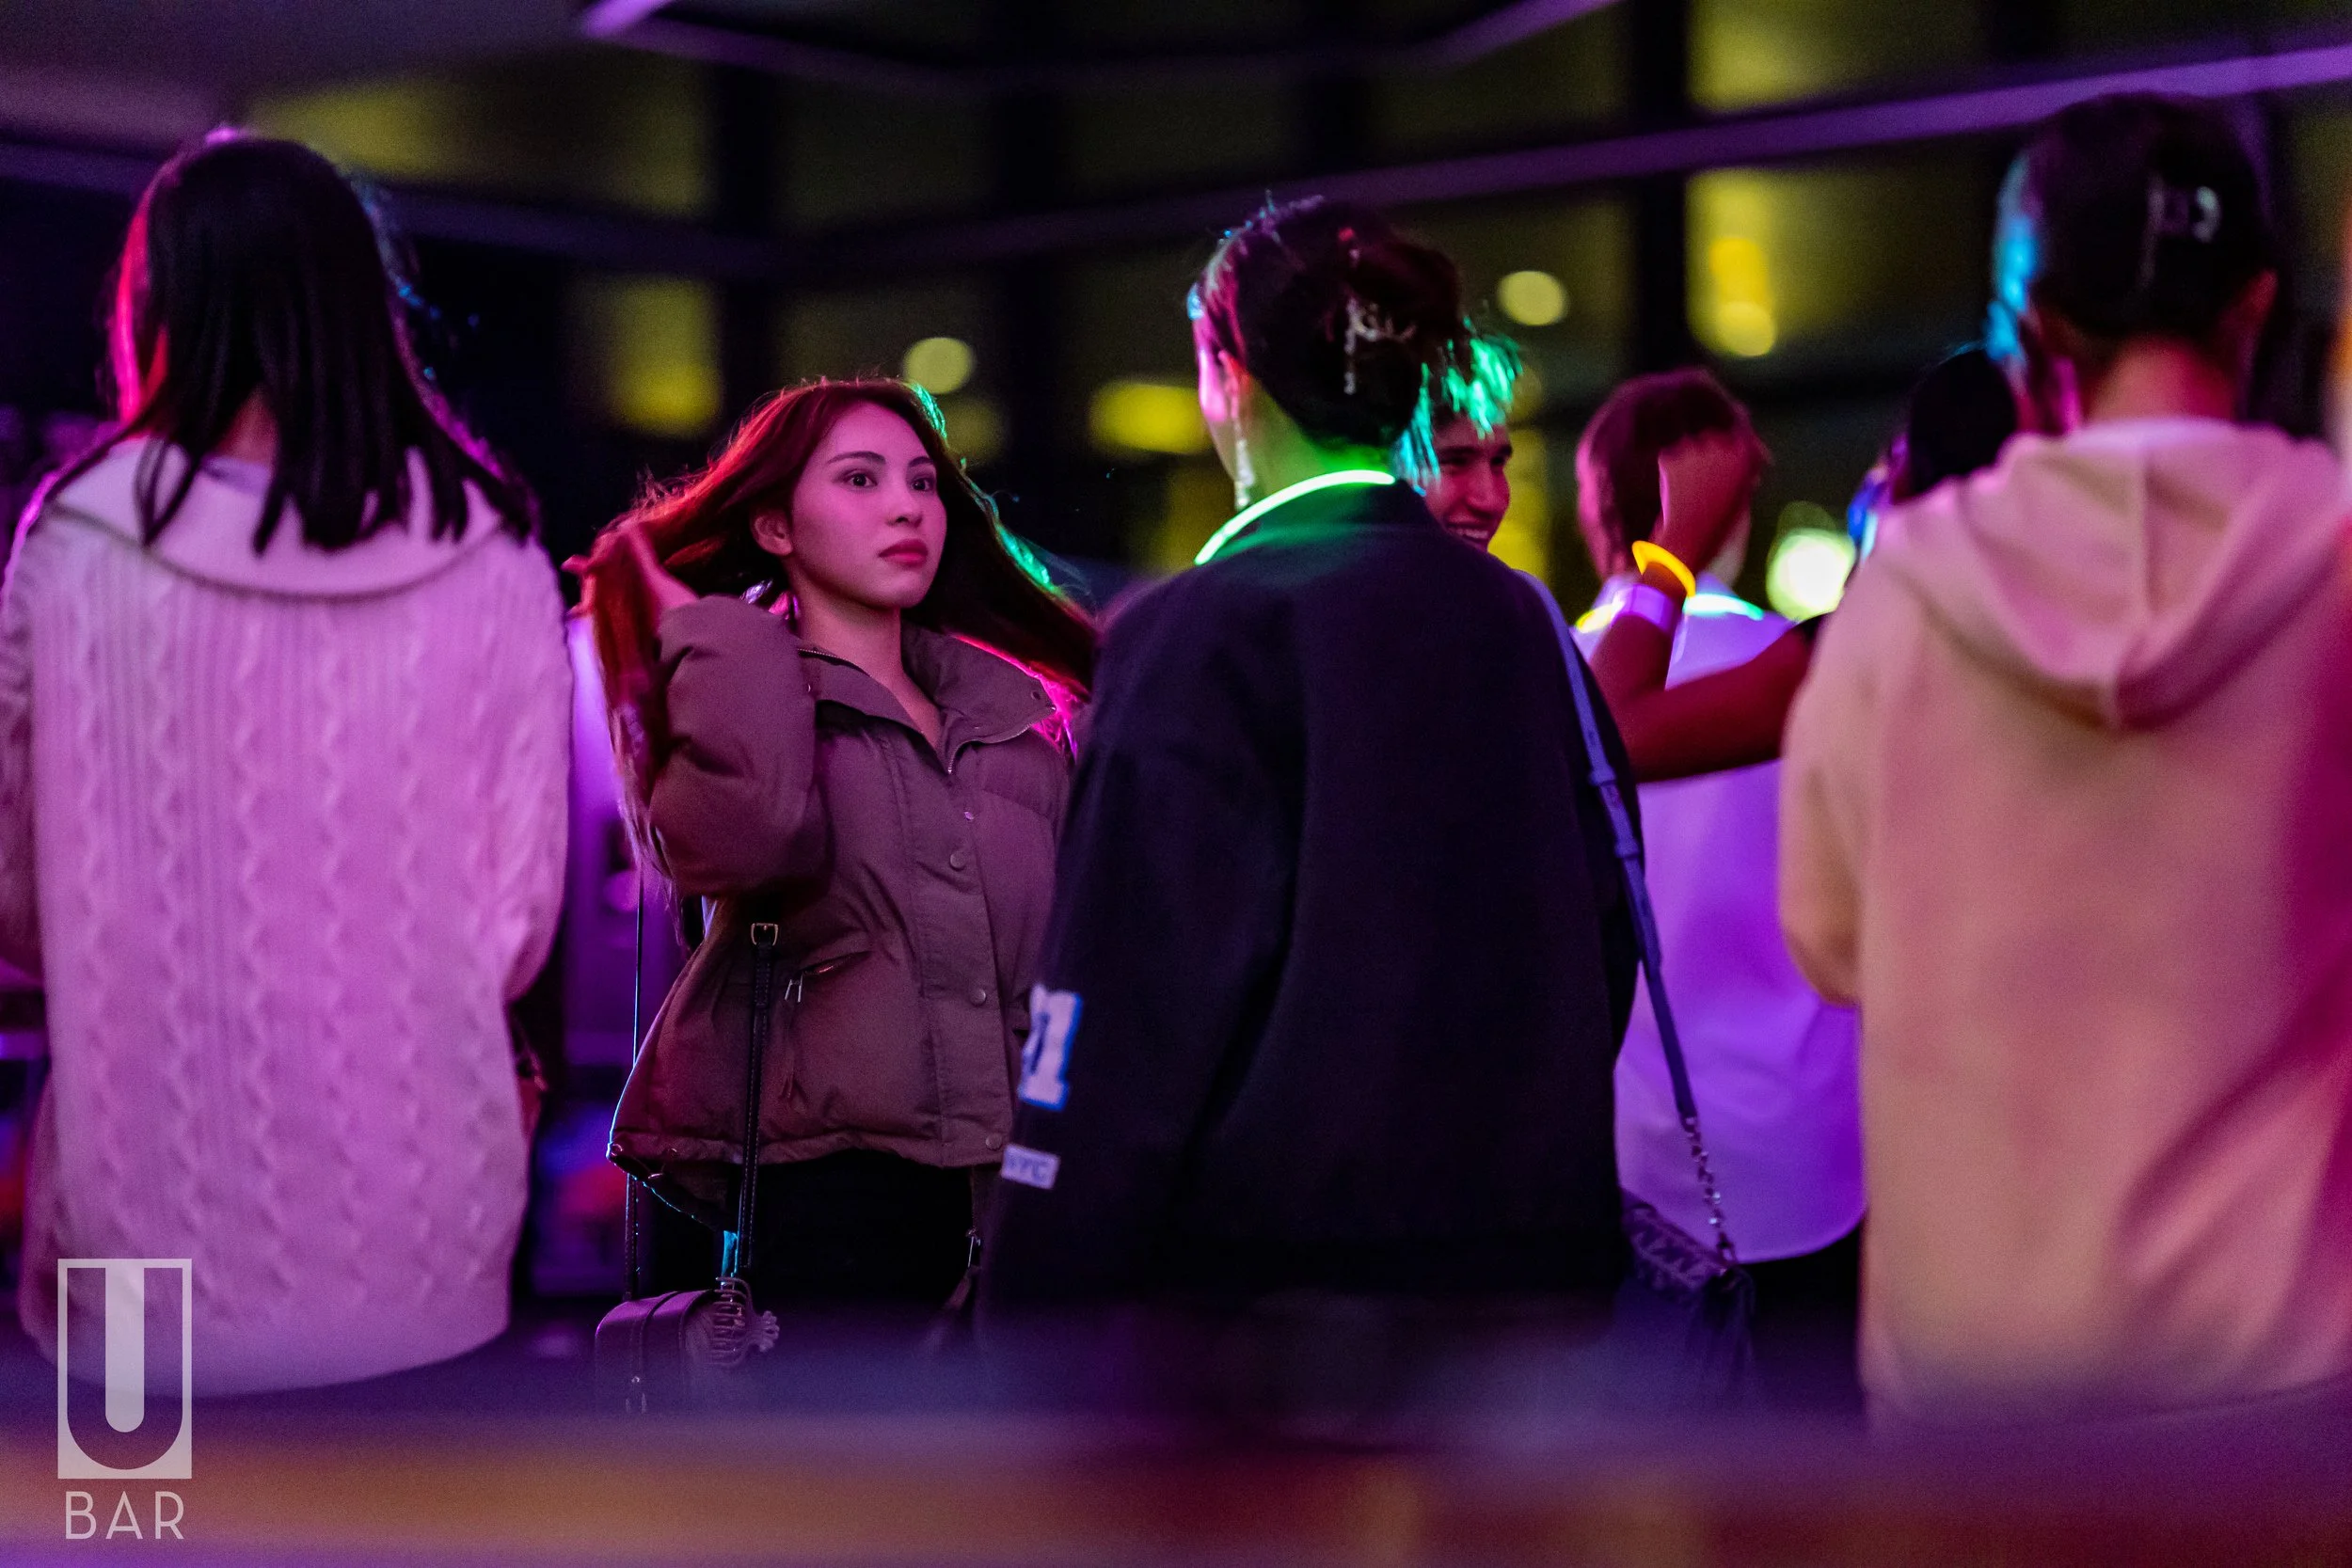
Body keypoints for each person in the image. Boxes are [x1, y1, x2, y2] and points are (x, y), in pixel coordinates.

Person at [1782, 92, 2352, 1428]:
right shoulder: (2339, 557)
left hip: (1972, 1365)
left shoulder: (1905, 589)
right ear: (2256, 308)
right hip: (2292, 1357)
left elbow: (1826, 934)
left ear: (2031, 335)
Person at [981, 198, 1639, 1338]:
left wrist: (1042, 1277)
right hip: (1534, 1280)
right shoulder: (1520, 620)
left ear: (1223, 371)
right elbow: (1606, 936)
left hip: (1267, 1310)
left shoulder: (1197, 628)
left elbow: (1129, 1004)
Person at [0, 133, 568, 1394]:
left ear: (160, 303)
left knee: (129, 1546)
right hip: (421, 1236)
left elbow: (22, 905)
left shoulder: (81, 543)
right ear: (363, 302)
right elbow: (518, 925)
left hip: (138, 1231)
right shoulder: (496, 555)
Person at [579, 378, 1092, 1322]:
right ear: (774, 526)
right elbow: (748, 838)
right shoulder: (735, 694)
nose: (907, 505)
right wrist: (725, 634)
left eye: (923, 482)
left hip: (1014, 1201)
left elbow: (1076, 969)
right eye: (859, 479)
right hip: (821, 1205)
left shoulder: (1017, 725)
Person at [1562, 370, 1865, 1408]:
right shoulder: (1795, 668)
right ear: (1737, 500)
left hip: (1626, 1174)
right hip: (1816, 1158)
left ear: (1593, 508)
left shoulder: (1548, 670)